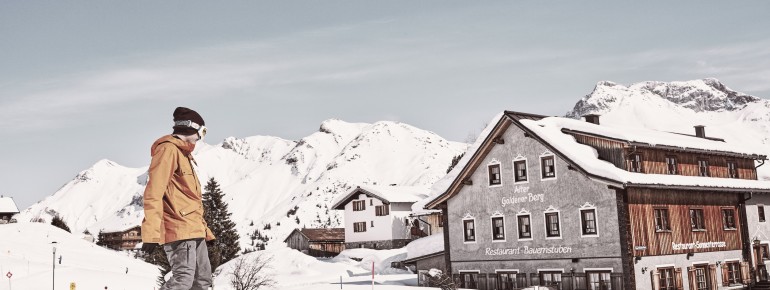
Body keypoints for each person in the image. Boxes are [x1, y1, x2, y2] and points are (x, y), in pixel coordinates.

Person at [141, 107, 216, 290]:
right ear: (191, 128)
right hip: (179, 228)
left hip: (193, 230)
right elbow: (154, 191)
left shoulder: (184, 155)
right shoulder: (168, 150)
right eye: (202, 132)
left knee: (202, 281)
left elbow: (188, 199)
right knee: (183, 280)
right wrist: (151, 233)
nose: (201, 138)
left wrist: (205, 231)